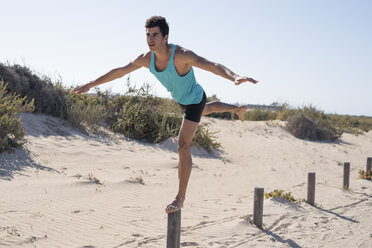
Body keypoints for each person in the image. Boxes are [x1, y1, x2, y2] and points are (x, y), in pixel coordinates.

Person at [71, 16, 258, 214]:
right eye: (148, 35)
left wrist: (234, 76)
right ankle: (237, 109)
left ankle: (180, 198)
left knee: (182, 146)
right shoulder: (145, 58)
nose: (150, 39)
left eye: (155, 35)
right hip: (184, 101)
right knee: (208, 109)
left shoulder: (182, 55)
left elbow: (212, 65)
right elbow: (119, 72)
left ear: (165, 37)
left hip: (194, 99)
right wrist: (90, 85)